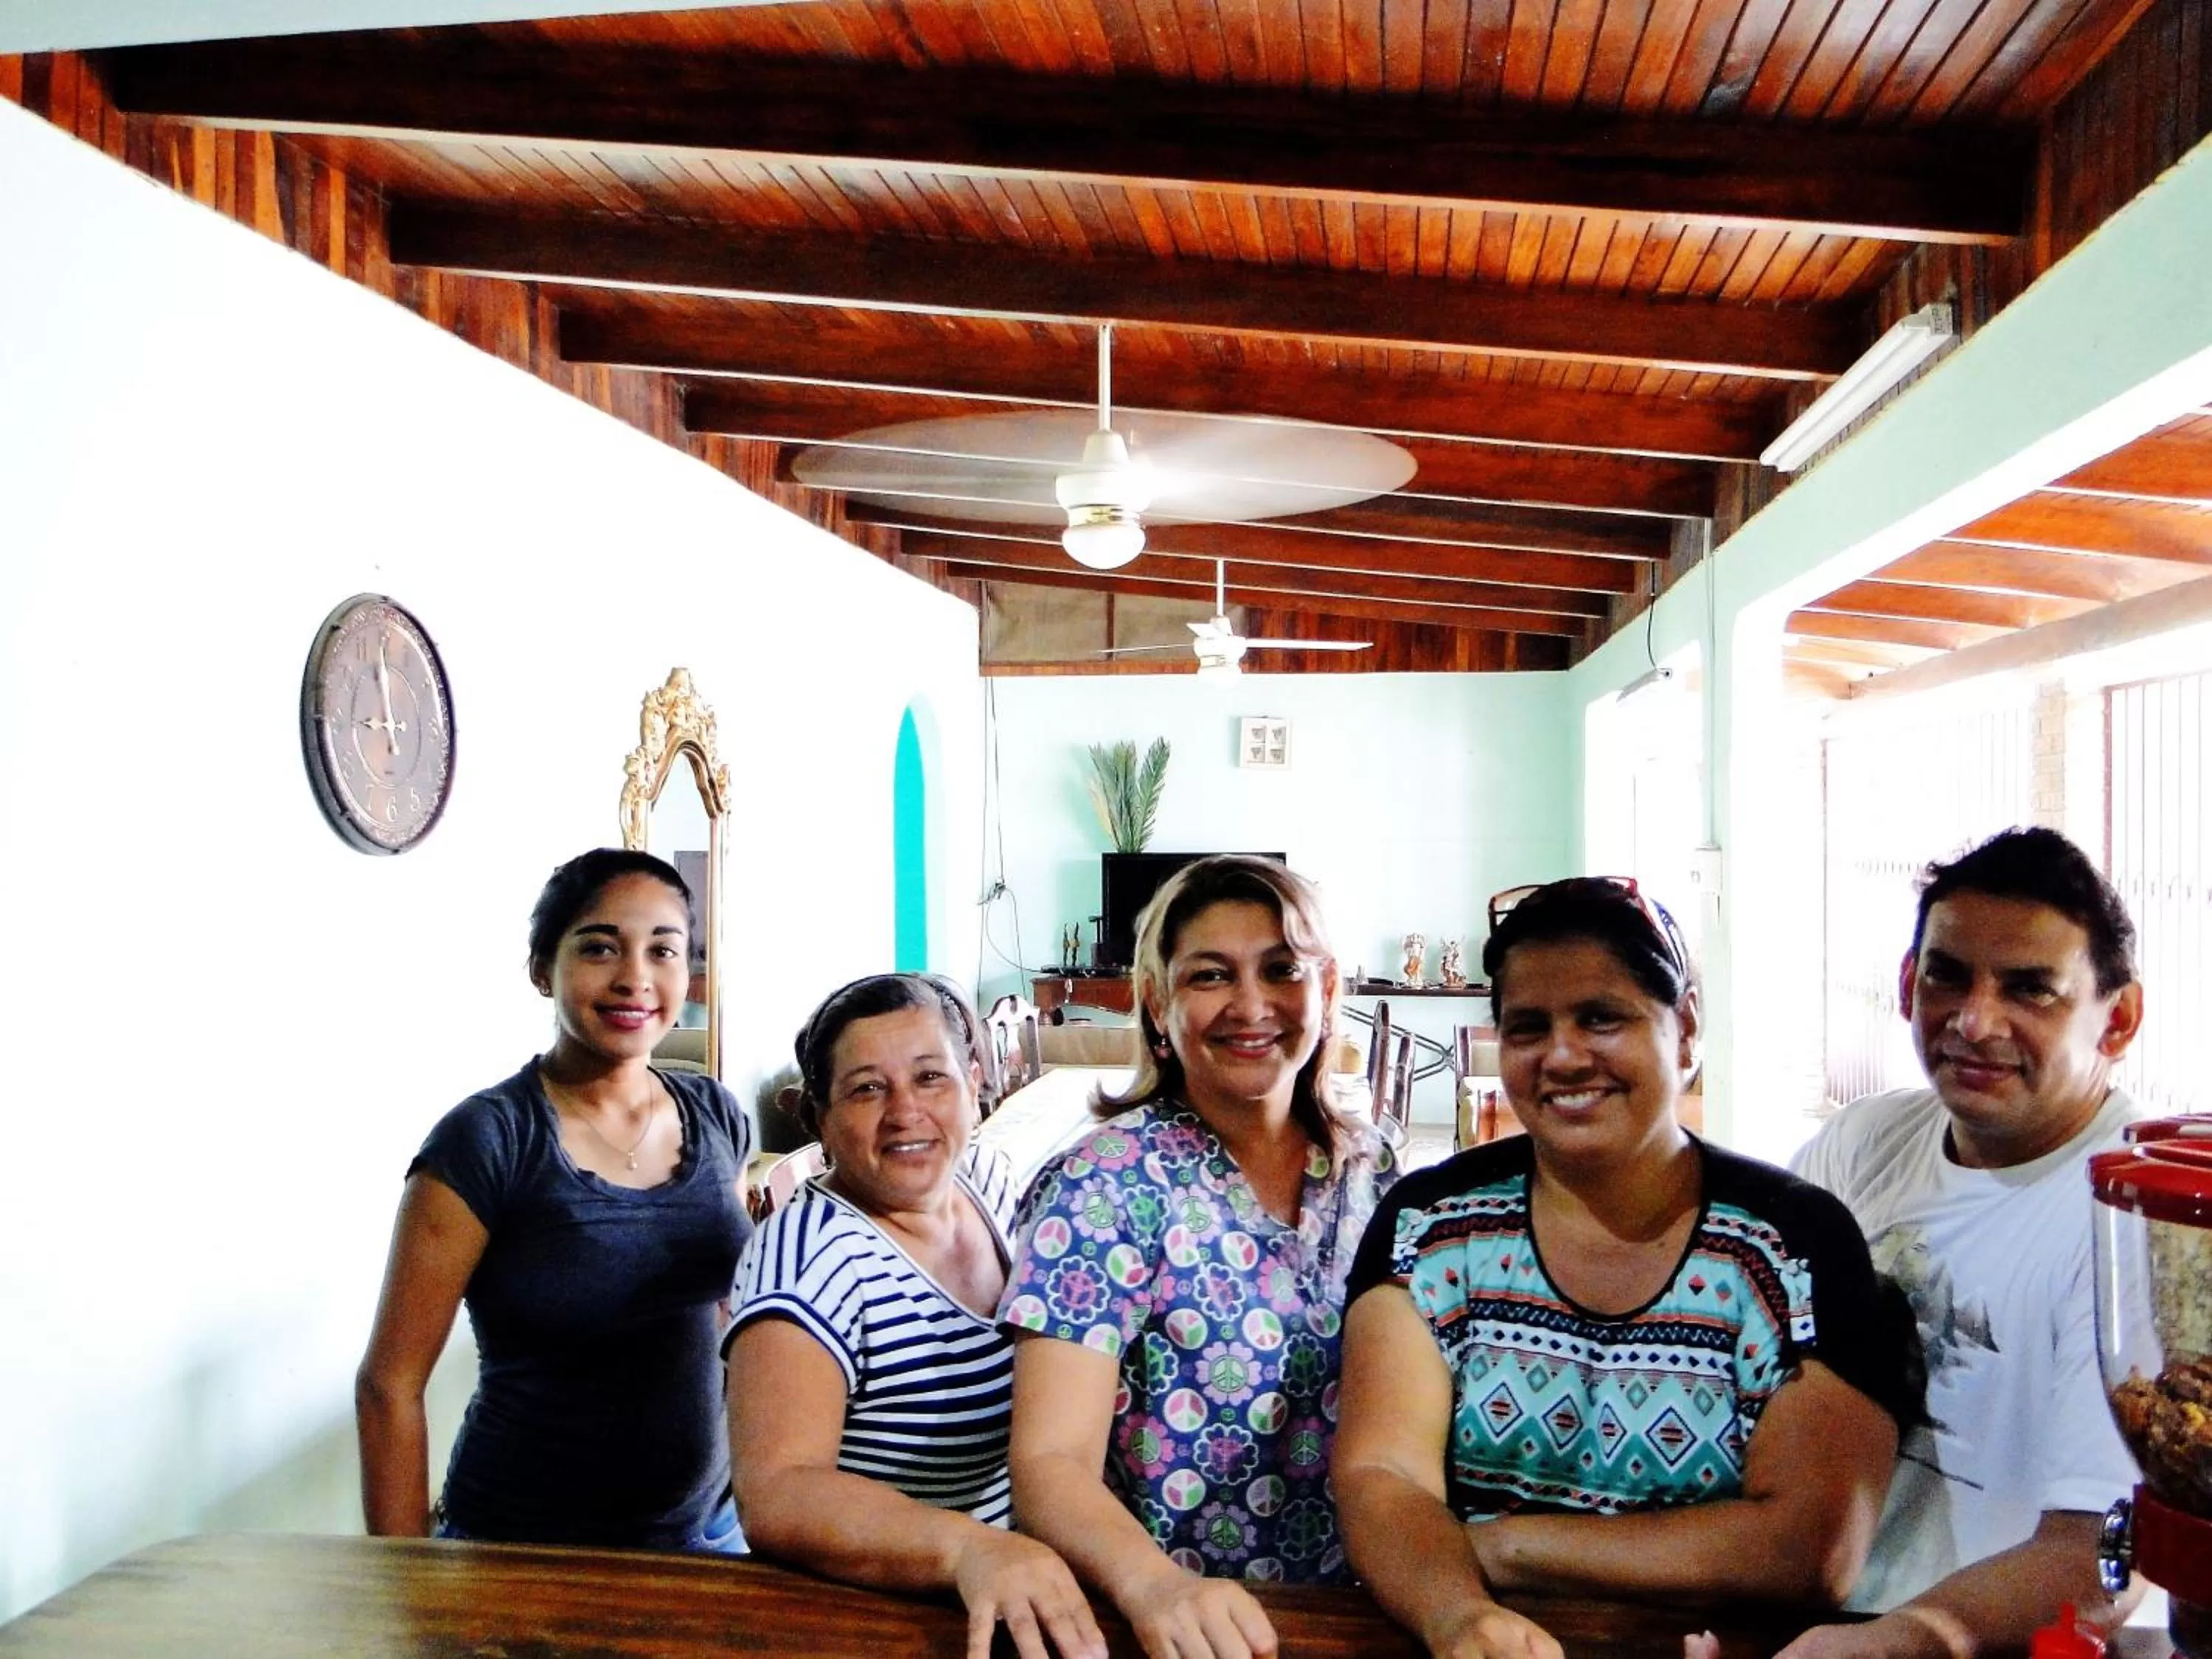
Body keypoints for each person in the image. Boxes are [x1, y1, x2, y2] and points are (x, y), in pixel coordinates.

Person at [1333, 877, 1918, 1659]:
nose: (1564, 1056)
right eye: (1527, 1027)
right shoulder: (1432, 1227)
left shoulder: (1787, 1249)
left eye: (1602, 1018)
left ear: (1684, 1033)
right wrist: (1461, 1617)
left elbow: (1809, 1549)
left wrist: (1501, 1546)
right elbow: (1383, 1474)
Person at [1001, 854, 1399, 1659]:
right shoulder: (1105, 1185)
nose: (1251, 1006)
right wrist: (1155, 1587)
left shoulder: (1374, 1169)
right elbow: (1049, 1464)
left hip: (1350, 1618)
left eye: (1282, 969)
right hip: (1158, 1621)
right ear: (1157, 1003)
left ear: (1326, 991)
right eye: (1211, 976)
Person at [1784, 827, 2149, 1659]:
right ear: (1911, 981)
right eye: (1949, 976)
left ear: (2117, 1019)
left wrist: (1907, 1639)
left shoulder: (2132, 1218)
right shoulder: (1861, 1144)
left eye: (2032, 990)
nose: (1975, 1021)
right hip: (1805, 1614)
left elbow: (2099, 1555)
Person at [355, 848, 754, 1549]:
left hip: (710, 1536)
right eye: (600, 947)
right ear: (543, 968)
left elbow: (725, 1314)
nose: (635, 978)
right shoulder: (487, 1140)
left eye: (663, 951)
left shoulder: (717, 1113)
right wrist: (402, 1589)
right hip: (526, 1550)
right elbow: (389, 1386)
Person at [726, 973, 1104, 1659]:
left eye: (931, 1077)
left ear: (975, 1081)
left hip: (1002, 1593)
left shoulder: (988, 1180)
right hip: (871, 1616)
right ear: (818, 1118)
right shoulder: (810, 1257)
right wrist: (968, 1549)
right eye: (867, 1088)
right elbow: (777, 1494)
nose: (906, 1112)